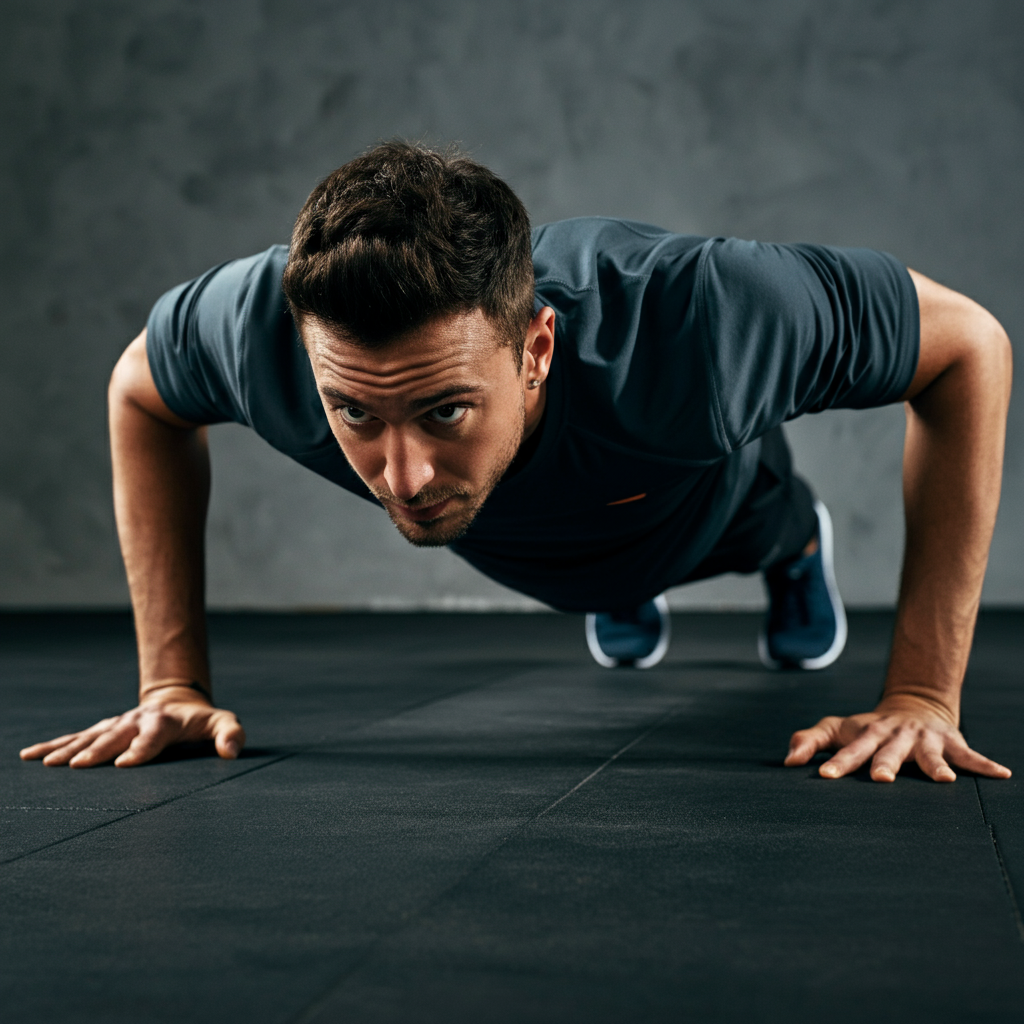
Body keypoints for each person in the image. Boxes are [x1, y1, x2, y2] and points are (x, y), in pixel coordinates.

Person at [21, 142, 1013, 785]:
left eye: (445, 408)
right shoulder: (260, 333)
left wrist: (922, 693)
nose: (399, 475)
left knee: (765, 522)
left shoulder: (700, 325)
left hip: (696, 500)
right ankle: (609, 585)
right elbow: (139, 390)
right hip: (530, 536)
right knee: (569, 555)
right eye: (354, 413)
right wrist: (171, 685)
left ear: (536, 349)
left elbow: (967, 343)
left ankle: (796, 552)